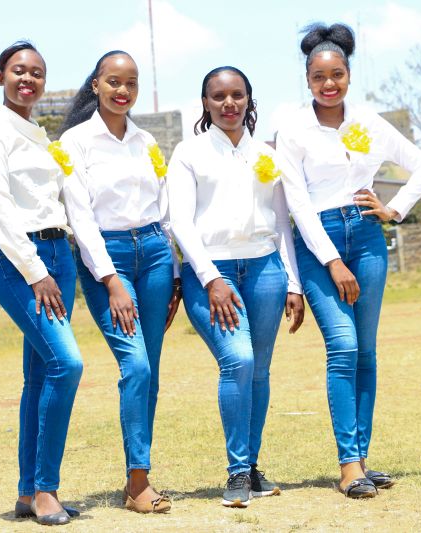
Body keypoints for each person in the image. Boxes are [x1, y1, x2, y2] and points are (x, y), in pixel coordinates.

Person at [275, 23, 421, 498]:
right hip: (317, 242)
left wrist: (393, 209)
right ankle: (348, 465)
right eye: (319, 76)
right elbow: (297, 204)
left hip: (366, 237)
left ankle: (362, 461)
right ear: (307, 79)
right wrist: (331, 261)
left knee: (366, 351)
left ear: (348, 75)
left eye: (337, 75)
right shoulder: (293, 130)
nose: (329, 84)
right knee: (343, 347)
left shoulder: (368, 121)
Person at [167, 66, 305, 508]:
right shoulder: (188, 153)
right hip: (211, 271)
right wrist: (211, 278)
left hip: (266, 270)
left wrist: (294, 283)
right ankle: (237, 470)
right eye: (219, 96)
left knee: (259, 370)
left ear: (249, 100)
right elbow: (180, 222)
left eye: (237, 95)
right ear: (205, 103)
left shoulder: (267, 154)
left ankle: (253, 466)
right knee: (238, 360)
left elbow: (282, 222)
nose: (229, 103)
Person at [0, 40, 83, 526]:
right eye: (18, 70)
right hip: (23, 262)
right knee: (66, 364)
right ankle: (47, 489)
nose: (28, 79)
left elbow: (36, 198)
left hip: (58, 253)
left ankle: (28, 492)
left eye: (37, 72)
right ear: (0, 76)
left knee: (40, 376)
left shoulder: (37, 133)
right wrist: (36, 272)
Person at [56, 50, 180, 514]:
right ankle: (138, 483)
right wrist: (111, 281)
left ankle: (138, 474)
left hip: (155, 255)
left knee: (151, 372)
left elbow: (165, 213)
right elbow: (80, 219)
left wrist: (176, 274)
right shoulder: (74, 143)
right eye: (113, 81)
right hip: (107, 259)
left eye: (131, 83)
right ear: (96, 85)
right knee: (137, 366)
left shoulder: (147, 141)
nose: (122, 90)